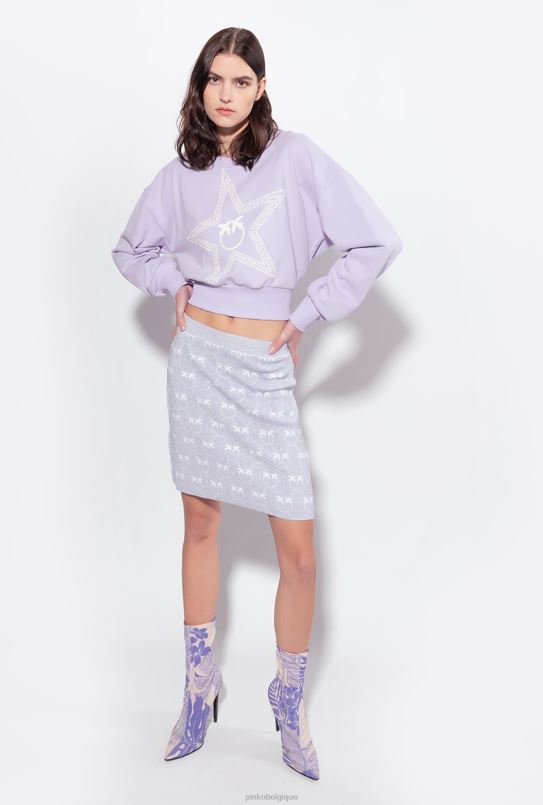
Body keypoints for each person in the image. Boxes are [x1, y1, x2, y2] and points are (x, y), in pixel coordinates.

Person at [111, 26, 403, 781]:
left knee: (299, 554)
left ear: (261, 88)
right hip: (198, 362)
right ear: (200, 85)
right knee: (200, 524)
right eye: (214, 78)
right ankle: (197, 686)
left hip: (264, 370)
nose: (225, 92)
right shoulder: (180, 176)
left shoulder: (296, 158)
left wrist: (305, 315)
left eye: (240, 80)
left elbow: (374, 242)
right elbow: (130, 250)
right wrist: (171, 279)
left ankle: (288, 701)